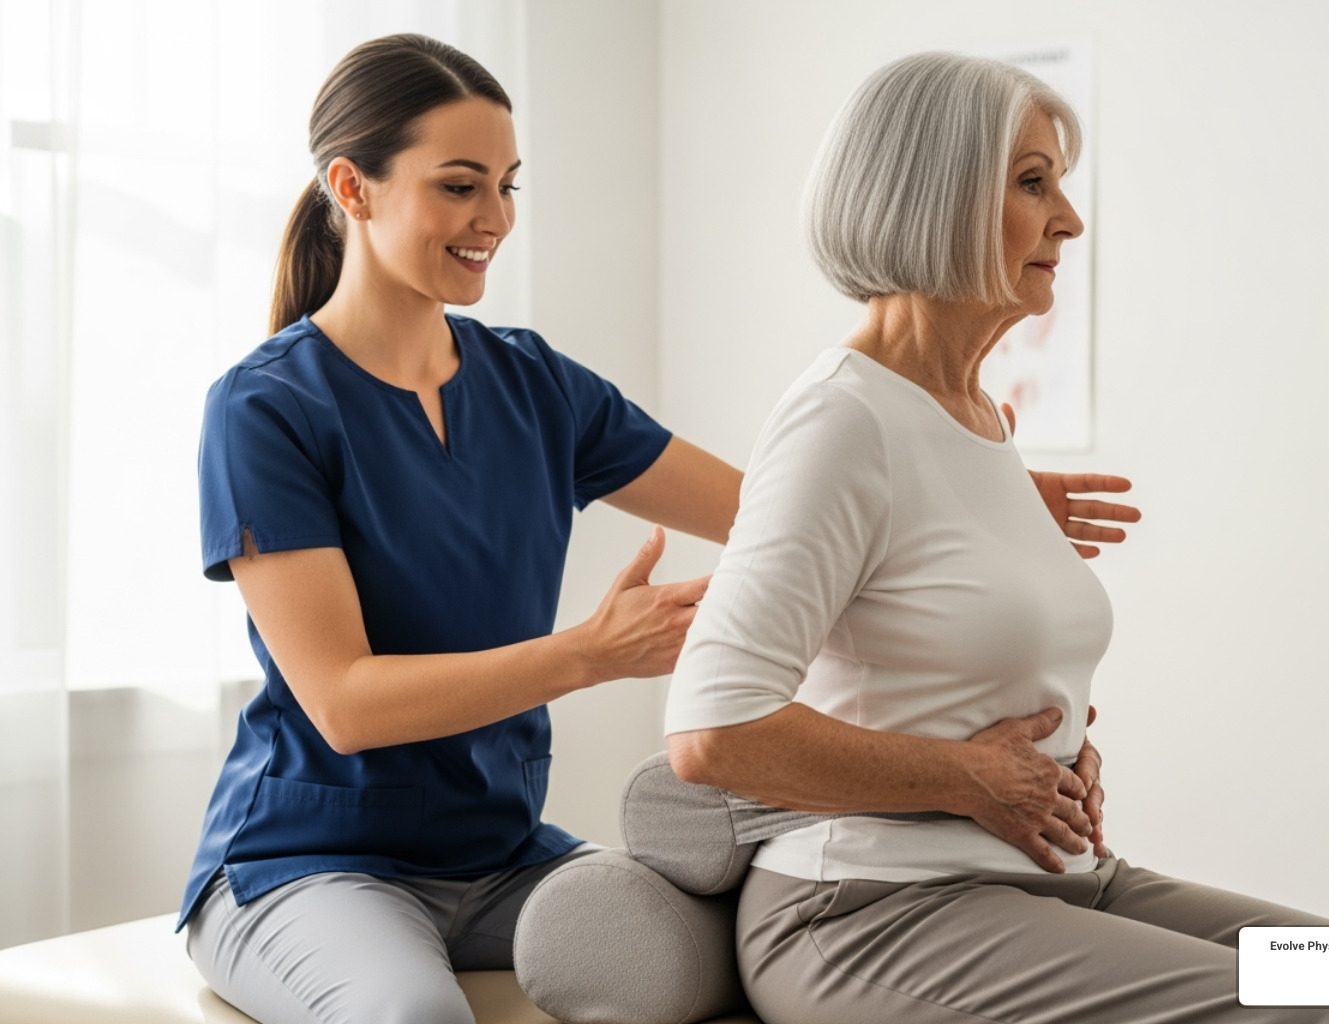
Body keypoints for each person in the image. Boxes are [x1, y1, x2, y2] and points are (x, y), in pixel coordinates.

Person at [179, 35, 1139, 1024]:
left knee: (701, 969)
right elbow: (343, 703)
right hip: (310, 858)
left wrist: (980, 507)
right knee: (415, 1018)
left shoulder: (530, 383)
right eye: (461, 186)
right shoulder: (267, 408)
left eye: (508, 186)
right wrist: (590, 655)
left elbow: (777, 510)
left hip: (504, 855)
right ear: (353, 185)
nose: (494, 219)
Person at [665, 52, 1329, 1024]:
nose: (1069, 221)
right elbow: (713, 730)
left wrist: (1060, 756)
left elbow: (948, 665)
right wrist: (972, 777)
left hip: (1052, 877)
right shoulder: (842, 420)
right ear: (937, 197)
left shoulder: (974, 417)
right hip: (869, 910)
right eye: (1033, 184)